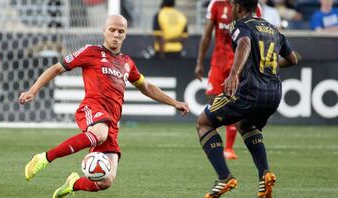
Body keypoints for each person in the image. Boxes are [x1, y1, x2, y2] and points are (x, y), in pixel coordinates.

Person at [19, 14, 190, 198]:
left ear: (125, 35)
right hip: (92, 109)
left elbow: (146, 87)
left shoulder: (127, 63)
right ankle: (44, 158)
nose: (116, 34)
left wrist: (174, 102)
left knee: (105, 181)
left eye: (121, 31)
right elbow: (56, 68)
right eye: (112, 30)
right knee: (100, 133)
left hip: (112, 123)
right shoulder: (90, 51)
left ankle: (72, 184)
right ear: (104, 31)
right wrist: (32, 90)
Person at [195, 0, 298, 197]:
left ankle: (224, 177)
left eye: (233, 6)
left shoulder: (239, 25)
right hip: (274, 94)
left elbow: (244, 43)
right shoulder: (271, 28)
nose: (231, 9)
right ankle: (265, 174)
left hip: (251, 91)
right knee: (245, 124)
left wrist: (234, 74)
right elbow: (293, 59)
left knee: (203, 123)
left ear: (238, 8)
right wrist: (270, 65)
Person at [195, 0, 261, 160]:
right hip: (218, 62)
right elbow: (207, 35)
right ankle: (214, 142)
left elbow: (257, 36)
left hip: (239, 63)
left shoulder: (252, 6)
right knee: (213, 100)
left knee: (234, 103)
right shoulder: (216, 4)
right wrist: (199, 62)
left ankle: (229, 149)